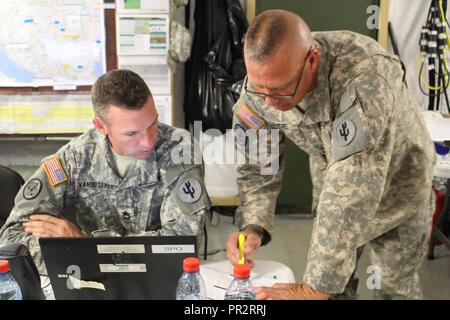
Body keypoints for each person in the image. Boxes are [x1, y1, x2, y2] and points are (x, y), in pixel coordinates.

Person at [226, 10, 436, 299]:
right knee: (336, 286)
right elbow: (258, 163)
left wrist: (315, 287)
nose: (270, 101)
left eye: (281, 90)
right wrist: (253, 225)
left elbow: (354, 185)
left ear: (311, 61)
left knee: (393, 288)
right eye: (261, 90)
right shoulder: (261, 89)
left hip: (400, 186)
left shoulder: (365, 73)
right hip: (334, 182)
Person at [0, 69, 210, 274]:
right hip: (93, 282)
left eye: (152, 123)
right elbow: (11, 240)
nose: (148, 141)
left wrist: (84, 248)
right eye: (132, 133)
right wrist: (89, 256)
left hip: (160, 280)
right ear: (101, 126)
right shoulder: (74, 159)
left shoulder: (179, 150)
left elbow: (183, 244)